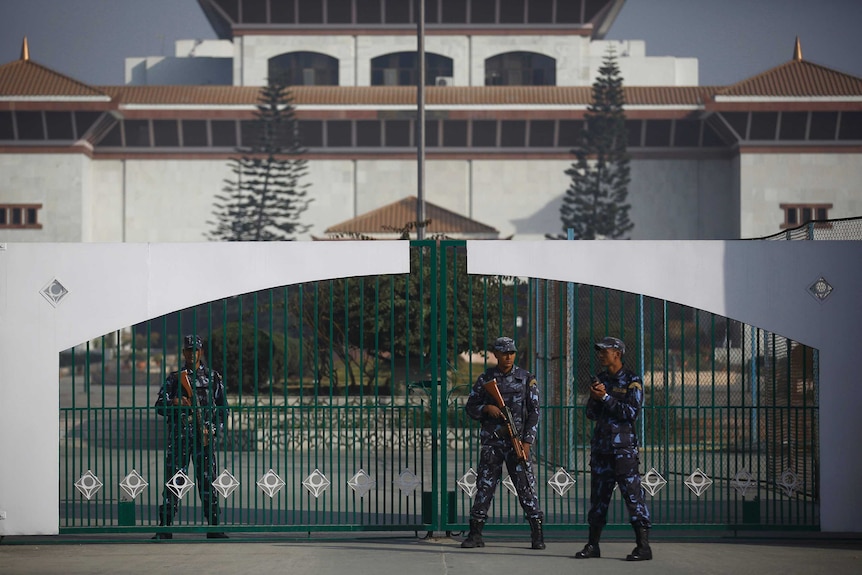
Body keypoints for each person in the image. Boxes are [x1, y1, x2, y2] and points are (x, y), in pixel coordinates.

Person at [461, 336, 545, 550]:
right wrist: (486, 409)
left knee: (526, 486)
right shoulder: (486, 380)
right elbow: (470, 407)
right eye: (504, 352)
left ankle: (537, 534)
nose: (508, 356)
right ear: (496, 354)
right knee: (485, 487)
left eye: (512, 353)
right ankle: (475, 533)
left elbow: (534, 413)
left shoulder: (526, 379)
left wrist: (527, 442)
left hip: (517, 442)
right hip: (493, 443)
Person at [574, 336, 652, 561]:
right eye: (599, 350)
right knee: (598, 500)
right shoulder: (600, 379)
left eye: (604, 351)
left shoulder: (632, 380)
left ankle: (643, 547)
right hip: (602, 450)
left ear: (617, 353)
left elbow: (631, 413)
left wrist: (606, 397)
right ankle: (593, 545)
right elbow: (591, 415)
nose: (600, 354)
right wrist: (594, 398)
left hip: (623, 452)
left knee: (633, 499)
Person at [152, 334, 229, 540]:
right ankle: (165, 527)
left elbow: (223, 409)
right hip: (179, 439)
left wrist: (214, 429)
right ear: (183, 352)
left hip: (203, 440)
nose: (191, 353)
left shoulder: (213, 378)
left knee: (208, 482)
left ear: (200, 352)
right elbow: (160, 406)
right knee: (174, 481)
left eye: (195, 350)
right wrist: (175, 403)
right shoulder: (175, 378)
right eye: (188, 350)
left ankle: (214, 527)